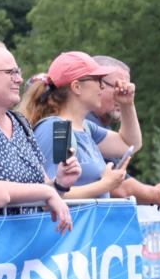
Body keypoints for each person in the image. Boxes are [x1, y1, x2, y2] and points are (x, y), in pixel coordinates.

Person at [0, 31, 82, 205]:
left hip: (28, 231)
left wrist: (60, 183)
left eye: (18, 71)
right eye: (10, 72)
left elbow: (43, 191)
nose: (19, 79)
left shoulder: (20, 122)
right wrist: (45, 191)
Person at [84, 55, 160, 214]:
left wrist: (128, 104)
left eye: (127, 89)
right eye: (118, 87)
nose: (122, 95)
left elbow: (131, 145)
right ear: (96, 85)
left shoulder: (94, 127)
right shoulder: (80, 123)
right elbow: (117, 187)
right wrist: (156, 194)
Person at [21, 51, 132, 199]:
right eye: (98, 80)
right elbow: (53, 194)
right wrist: (105, 185)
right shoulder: (58, 129)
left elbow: (128, 143)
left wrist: (127, 105)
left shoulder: (85, 127)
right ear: (76, 87)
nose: (102, 87)